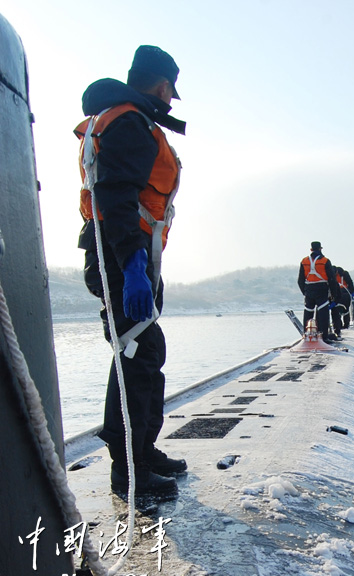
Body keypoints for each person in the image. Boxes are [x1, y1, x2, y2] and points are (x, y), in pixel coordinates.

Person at [75, 45, 187, 497]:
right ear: (162, 86)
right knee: (137, 353)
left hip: (125, 255)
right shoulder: (129, 124)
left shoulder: (118, 119)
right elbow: (116, 198)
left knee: (139, 351)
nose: (172, 100)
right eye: (171, 90)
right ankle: (129, 469)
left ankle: (141, 451)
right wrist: (133, 265)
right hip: (122, 258)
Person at [298, 242, 340, 344]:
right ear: (320, 249)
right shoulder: (325, 261)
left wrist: (305, 292)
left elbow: (300, 280)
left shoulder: (304, 261)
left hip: (309, 289)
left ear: (311, 250)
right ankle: (324, 337)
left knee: (308, 312)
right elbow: (332, 279)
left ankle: (306, 335)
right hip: (321, 289)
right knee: (323, 313)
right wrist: (334, 295)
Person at [330, 266, 354, 337]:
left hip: (345, 293)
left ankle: (345, 325)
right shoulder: (331, 276)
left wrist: (352, 292)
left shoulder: (344, 274)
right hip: (336, 294)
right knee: (336, 311)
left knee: (345, 310)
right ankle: (338, 326)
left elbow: (350, 283)